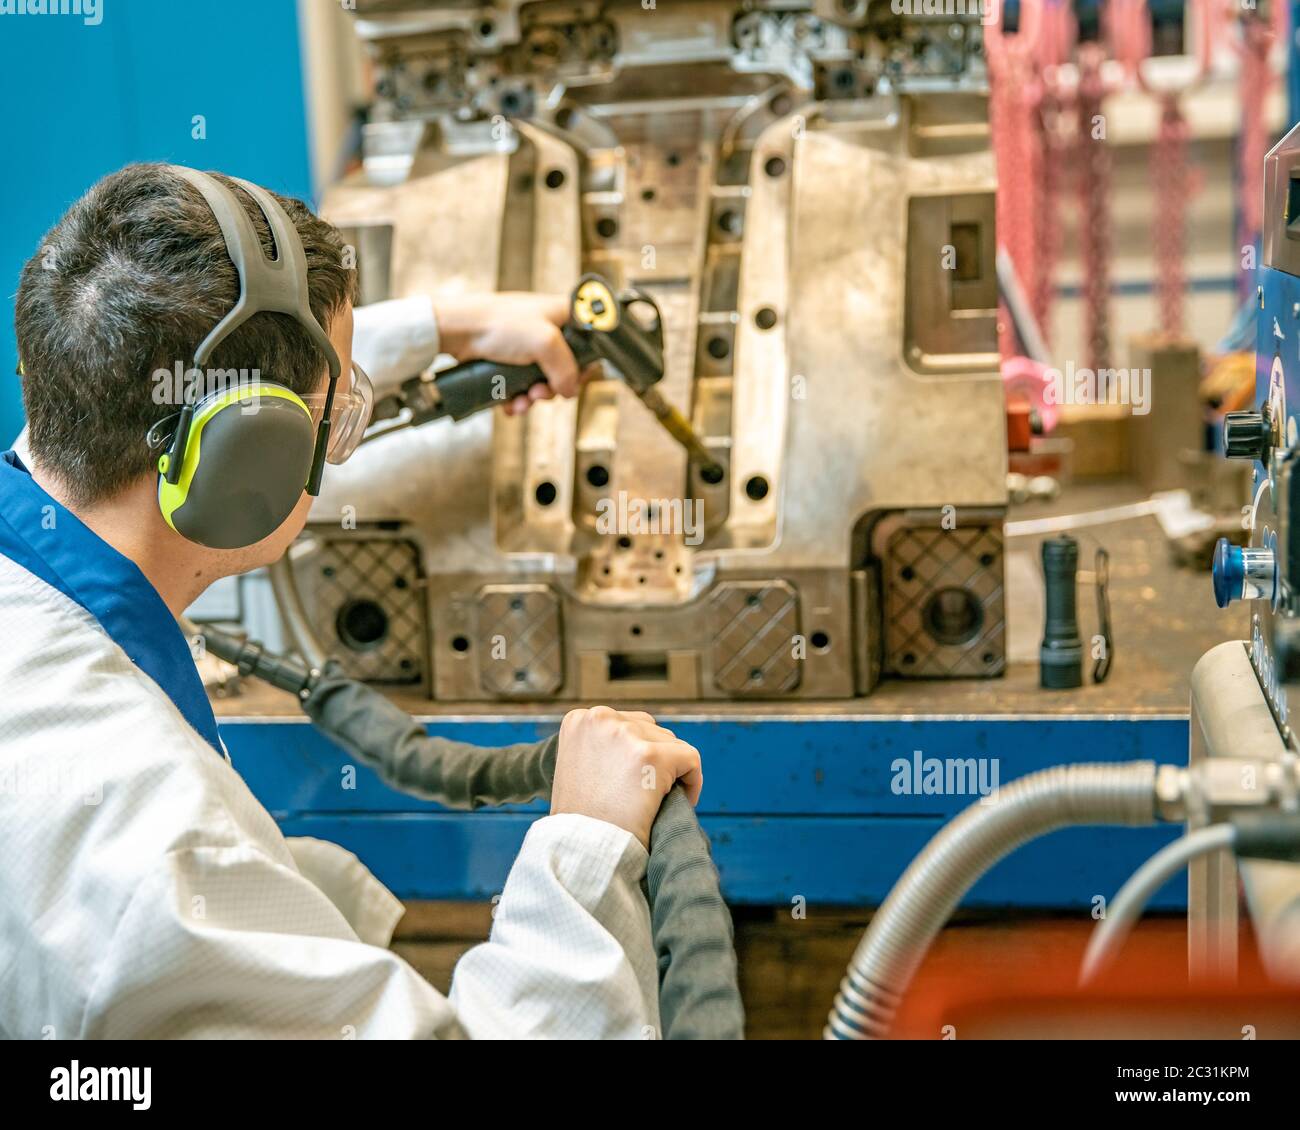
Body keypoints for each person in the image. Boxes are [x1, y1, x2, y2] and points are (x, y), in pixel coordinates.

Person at [0, 163, 702, 1039]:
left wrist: (447, 325)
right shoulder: (163, 851)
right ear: (246, 465)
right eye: (332, 423)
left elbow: (204, 378)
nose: (339, 448)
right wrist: (585, 853)